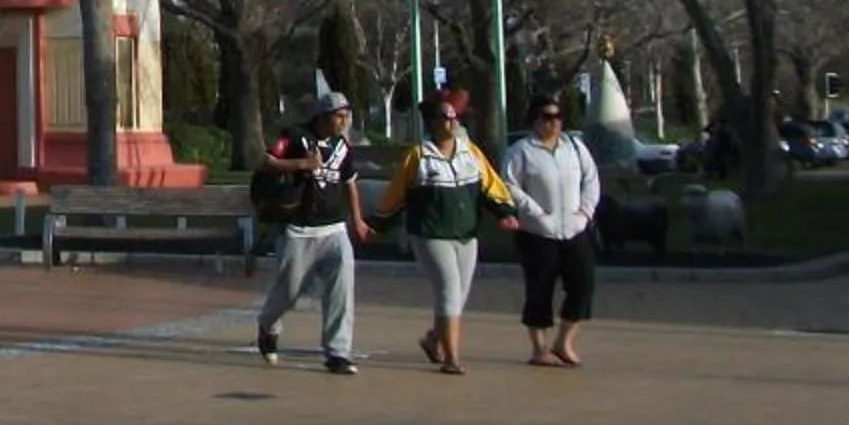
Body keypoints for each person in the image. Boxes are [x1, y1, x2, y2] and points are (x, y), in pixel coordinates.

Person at [378, 92, 517, 374]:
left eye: (455, 116)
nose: (452, 122)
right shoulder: (419, 156)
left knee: (458, 296)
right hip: (431, 234)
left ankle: (433, 339)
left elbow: (490, 184)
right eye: (445, 117)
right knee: (449, 290)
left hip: (466, 234)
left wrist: (505, 213)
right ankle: (451, 358)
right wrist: (376, 225)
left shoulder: (470, 152)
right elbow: (396, 196)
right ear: (431, 122)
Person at [255, 92, 371, 374]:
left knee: (341, 289)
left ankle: (338, 352)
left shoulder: (342, 146)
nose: (343, 122)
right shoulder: (295, 137)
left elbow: (349, 183)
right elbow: (266, 161)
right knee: (291, 292)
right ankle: (268, 325)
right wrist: (301, 165)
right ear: (322, 116)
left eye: (346, 117)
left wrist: (358, 220)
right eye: (338, 116)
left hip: (334, 228)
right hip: (299, 229)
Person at [505, 91, 603, 367]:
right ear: (535, 120)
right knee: (539, 288)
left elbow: (591, 180)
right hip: (537, 233)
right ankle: (539, 348)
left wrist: (584, 212)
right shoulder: (521, 151)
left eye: (558, 117)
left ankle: (564, 342)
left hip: (574, 228)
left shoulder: (574, 147)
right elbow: (510, 187)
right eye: (548, 117)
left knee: (583, 284)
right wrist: (536, 213)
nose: (554, 123)